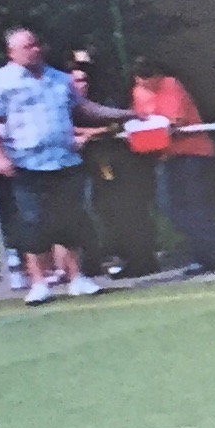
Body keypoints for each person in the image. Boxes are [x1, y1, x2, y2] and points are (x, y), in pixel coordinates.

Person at [0, 28, 128, 304]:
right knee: (34, 223)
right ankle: (39, 283)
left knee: (71, 219)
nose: (35, 50)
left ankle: (77, 278)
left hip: (65, 159)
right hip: (26, 163)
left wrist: (128, 114)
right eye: (27, 46)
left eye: (36, 44)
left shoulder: (59, 78)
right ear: (12, 52)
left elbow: (84, 108)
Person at [128, 56, 215, 273]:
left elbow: (176, 120)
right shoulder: (138, 92)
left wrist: (159, 129)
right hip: (166, 156)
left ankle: (210, 255)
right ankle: (210, 247)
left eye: (151, 77)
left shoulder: (171, 85)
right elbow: (141, 120)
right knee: (168, 204)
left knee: (194, 203)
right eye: (142, 78)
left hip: (192, 152)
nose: (148, 83)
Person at [67, 56, 152, 280]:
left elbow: (116, 124)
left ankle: (141, 260)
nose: (80, 85)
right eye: (75, 81)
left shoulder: (102, 101)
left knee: (126, 211)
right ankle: (97, 261)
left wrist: (89, 133)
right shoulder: (64, 104)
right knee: (96, 213)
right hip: (84, 167)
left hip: (115, 163)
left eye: (83, 80)